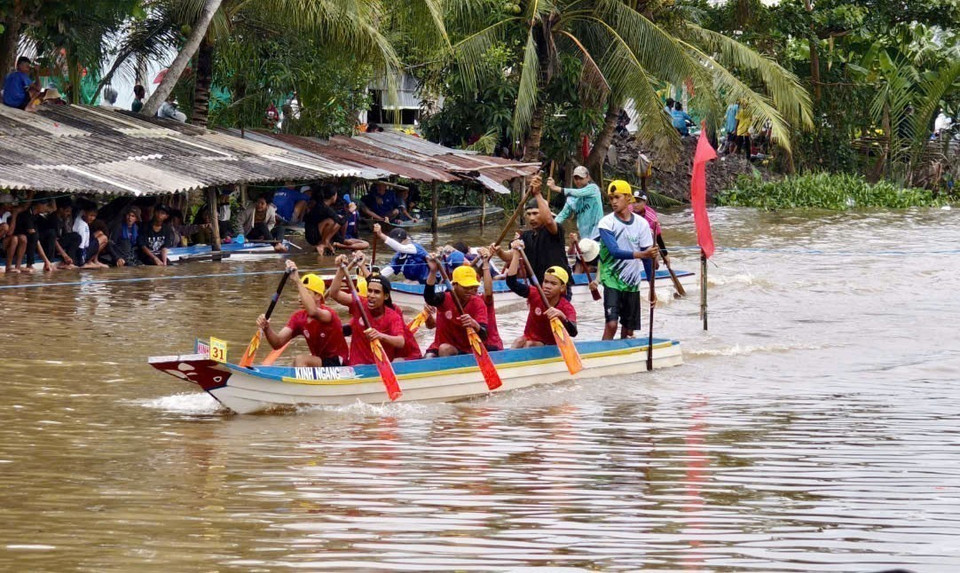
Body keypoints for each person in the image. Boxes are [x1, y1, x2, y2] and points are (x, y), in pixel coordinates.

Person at [257, 260, 350, 367]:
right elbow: (277, 343)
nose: (300, 298)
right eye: (300, 293)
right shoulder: (298, 318)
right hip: (321, 363)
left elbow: (313, 311)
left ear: (318, 296)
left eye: (306, 293)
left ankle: (299, 383)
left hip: (340, 364)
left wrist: (297, 280)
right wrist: (267, 328)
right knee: (296, 363)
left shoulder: (328, 314)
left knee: (301, 360)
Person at [597, 180, 659, 340]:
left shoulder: (642, 224)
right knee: (612, 324)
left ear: (628, 198)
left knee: (628, 329)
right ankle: (604, 354)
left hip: (632, 282)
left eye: (617, 197)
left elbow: (648, 259)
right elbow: (615, 251)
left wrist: (652, 288)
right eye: (611, 198)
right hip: (611, 278)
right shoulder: (606, 223)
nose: (613, 202)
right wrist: (642, 254)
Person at [328, 256, 409, 365]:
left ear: (385, 296)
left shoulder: (393, 316)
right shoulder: (360, 303)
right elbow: (334, 294)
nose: (371, 295)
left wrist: (380, 336)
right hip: (356, 366)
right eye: (369, 291)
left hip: (380, 367)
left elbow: (400, 342)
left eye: (376, 292)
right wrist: (341, 269)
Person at [495, 173, 571, 285]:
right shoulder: (526, 236)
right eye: (529, 214)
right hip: (538, 287)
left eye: (535, 213)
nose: (531, 218)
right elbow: (509, 257)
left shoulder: (554, 230)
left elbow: (549, 221)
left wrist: (538, 194)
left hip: (558, 286)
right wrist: (499, 251)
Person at [504, 241, 578, 348]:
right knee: (518, 341)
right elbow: (511, 283)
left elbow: (574, 332)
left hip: (550, 346)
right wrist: (516, 254)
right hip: (528, 338)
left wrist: (562, 317)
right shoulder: (535, 293)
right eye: (546, 281)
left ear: (562, 288)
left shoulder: (566, 307)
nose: (547, 286)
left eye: (553, 283)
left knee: (529, 344)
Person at [422, 257, 488, 357]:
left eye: (473, 287)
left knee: (445, 349)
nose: (470, 291)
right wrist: (433, 271)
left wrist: (475, 324)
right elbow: (429, 298)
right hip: (438, 346)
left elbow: (484, 334)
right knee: (429, 357)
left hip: (466, 351)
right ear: (454, 285)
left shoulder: (478, 303)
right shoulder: (444, 298)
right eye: (466, 287)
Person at [549, 165, 603, 240]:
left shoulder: (593, 189)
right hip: (584, 236)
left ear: (588, 177)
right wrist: (550, 226)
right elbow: (562, 215)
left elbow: (578, 192)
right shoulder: (571, 199)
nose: (578, 181)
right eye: (576, 178)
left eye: (581, 178)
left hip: (598, 233)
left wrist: (555, 188)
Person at [631, 192, 670, 266]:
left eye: (638, 202)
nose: (635, 205)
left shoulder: (651, 217)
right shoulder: (627, 211)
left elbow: (658, 237)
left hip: (647, 242)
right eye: (633, 202)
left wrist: (665, 256)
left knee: (655, 265)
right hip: (631, 240)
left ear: (645, 202)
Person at [477, 247, 504, 352]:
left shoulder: (481, 299)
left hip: (491, 344)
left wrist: (485, 263)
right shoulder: (456, 300)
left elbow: (488, 292)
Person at [303, 187, 343, 255]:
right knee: (332, 221)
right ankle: (324, 242)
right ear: (333, 196)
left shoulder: (321, 205)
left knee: (336, 220)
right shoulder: (324, 207)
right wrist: (350, 212)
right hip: (313, 235)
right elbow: (341, 222)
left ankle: (324, 243)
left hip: (311, 233)